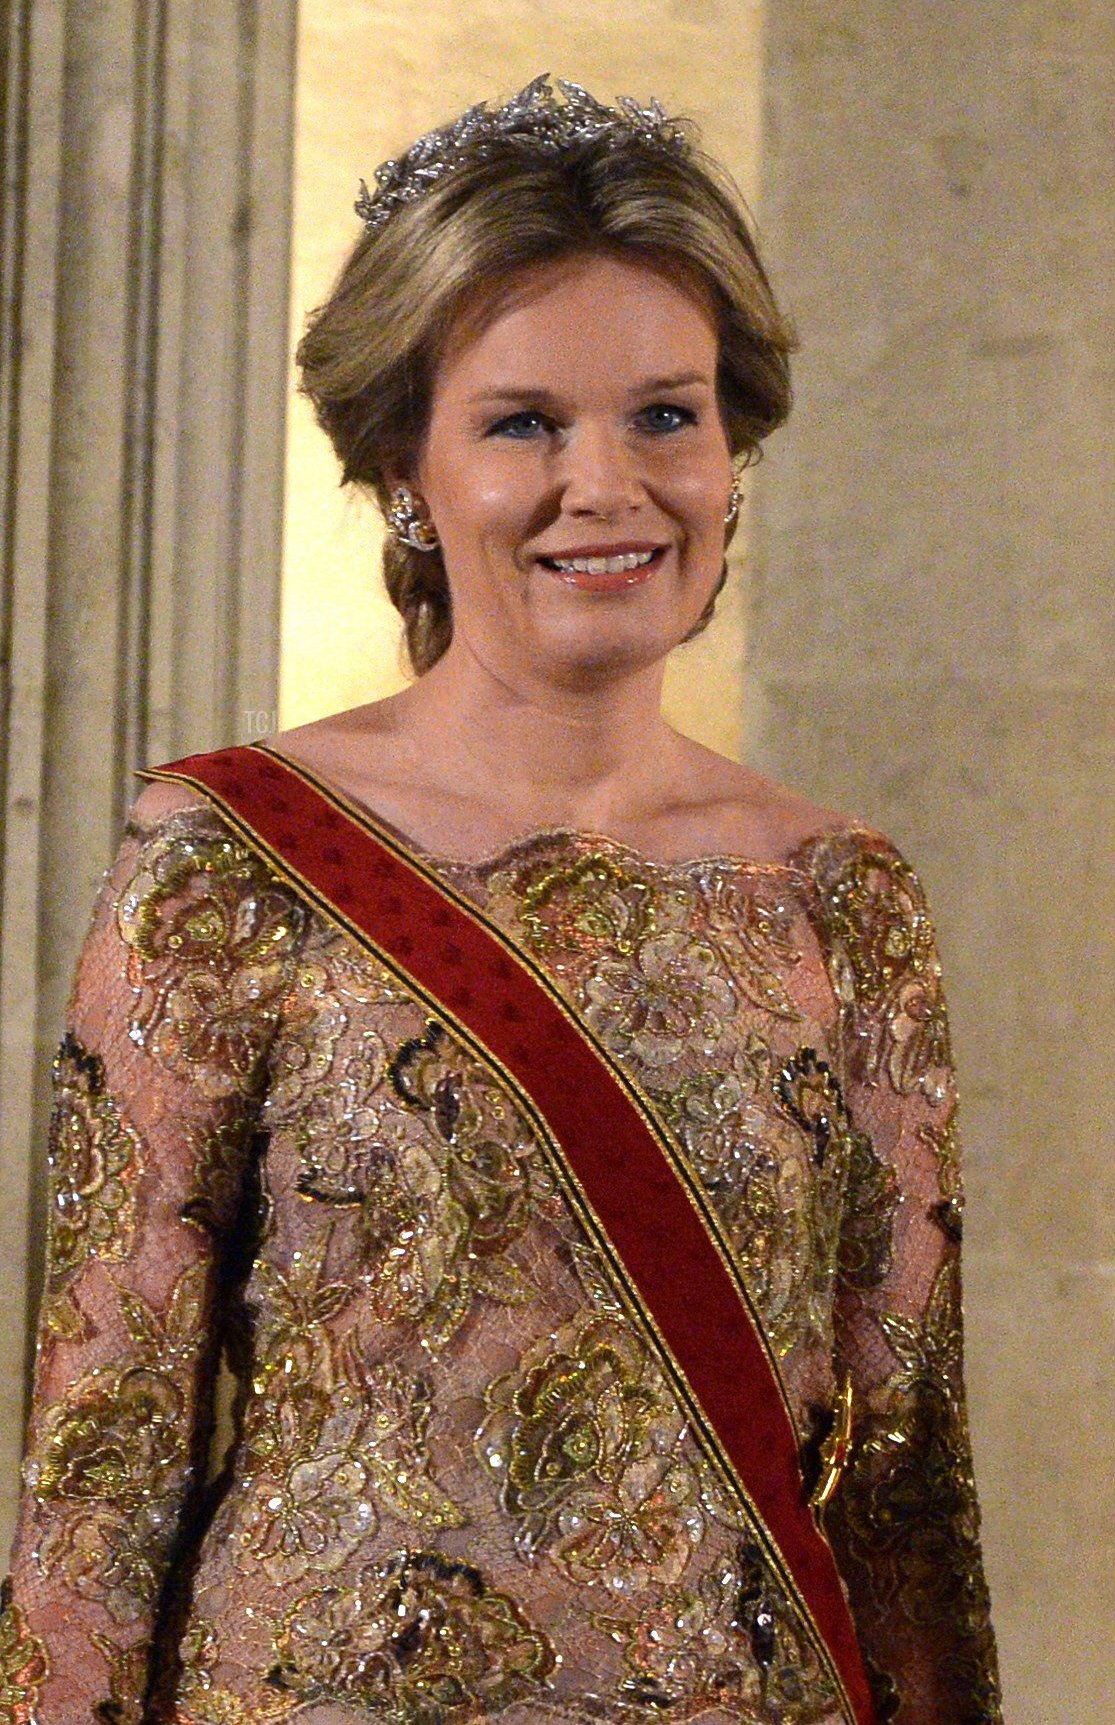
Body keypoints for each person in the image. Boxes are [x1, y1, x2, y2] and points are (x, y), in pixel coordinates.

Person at [1, 75, 1001, 1725]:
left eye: (666, 415)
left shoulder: (841, 899)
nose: (605, 484)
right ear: (409, 460)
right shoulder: (226, 857)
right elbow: (101, 1472)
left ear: (734, 450)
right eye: (525, 421)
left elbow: (904, 1505)